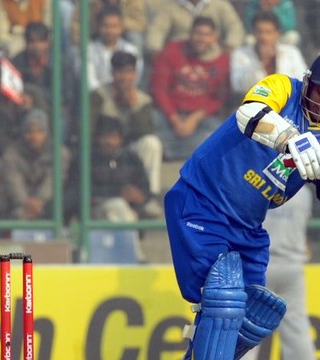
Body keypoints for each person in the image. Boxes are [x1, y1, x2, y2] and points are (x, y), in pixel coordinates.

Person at [151, 50, 320, 360]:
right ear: (308, 83)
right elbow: (248, 114)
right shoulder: (283, 88)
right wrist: (291, 139)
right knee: (224, 299)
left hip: (248, 226)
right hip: (201, 200)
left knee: (259, 314)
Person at [230, 187, 318, 360]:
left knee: (246, 330)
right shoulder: (304, 192)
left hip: (261, 264)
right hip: (292, 265)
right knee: (297, 329)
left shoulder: (261, 184)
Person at [90, 51, 163, 217]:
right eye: (119, 71)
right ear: (112, 73)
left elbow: (145, 131)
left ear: (135, 74)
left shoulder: (142, 100)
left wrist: (132, 107)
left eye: (128, 71)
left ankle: (149, 198)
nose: (124, 77)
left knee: (152, 143)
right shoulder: (99, 95)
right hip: (103, 152)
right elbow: (89, 129)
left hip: (130, 154)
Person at [150, 16, 230, 161]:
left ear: (214, 37)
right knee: (150, 122)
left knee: (218, 132)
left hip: (201, 119)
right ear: (190, 34)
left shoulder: (222, 59)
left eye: (206, 35)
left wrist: (195, 117)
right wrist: (174, 118)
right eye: (198, 33)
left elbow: (220, 97)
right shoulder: (172, 50)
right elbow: (159, 89)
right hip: (170, 115)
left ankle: (171, 151)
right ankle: (183, 151)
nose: (201, 39)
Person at [1, 109, 71, 220]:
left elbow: (54, 180)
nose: (33, 136)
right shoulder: (12, 154)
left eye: (38, 131)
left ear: (46, 133)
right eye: (29, 131)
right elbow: (13, 181)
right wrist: (26, 203)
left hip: (49, 205)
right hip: (20, 206)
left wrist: (40, 200)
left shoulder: (60, 153)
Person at [230, 11, 307, 102]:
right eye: (259, 32)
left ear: (278, 34)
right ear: (253, 33)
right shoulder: (240, 54)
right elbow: (238, 86)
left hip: (287, 102)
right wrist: (262, 62)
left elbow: (303, 82)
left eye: (268, 32)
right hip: (254, 102)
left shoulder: (292, 53)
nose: (263, 37)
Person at [83, 5, 143, 91]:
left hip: (124, 95)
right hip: (98, 96)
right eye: (106, 26)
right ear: (98, 26)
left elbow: (135, 79)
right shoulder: (89, 50)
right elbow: (90, 82)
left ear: (121, 27)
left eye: (114, 26)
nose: (110, 31)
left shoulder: (131, 51)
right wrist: (106, 95)